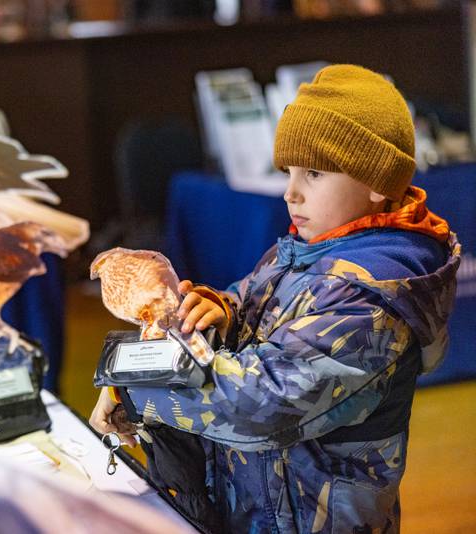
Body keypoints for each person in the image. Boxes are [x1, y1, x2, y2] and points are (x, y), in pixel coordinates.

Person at [90, 64, 460, 533]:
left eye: (314, 174)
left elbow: (258, 404)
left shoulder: (370, 300)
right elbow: (251, 303)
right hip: (257, 509)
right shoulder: (304, 250)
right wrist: (220, 313)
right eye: (287, 172)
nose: (290, 193)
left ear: (377, 181)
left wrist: (138, 386)